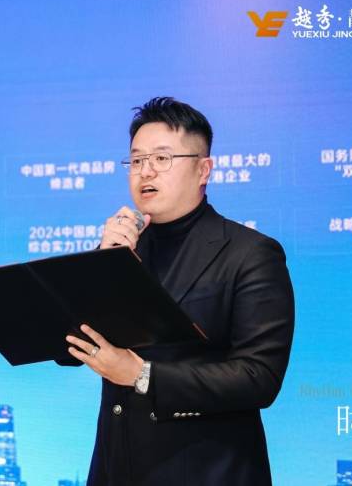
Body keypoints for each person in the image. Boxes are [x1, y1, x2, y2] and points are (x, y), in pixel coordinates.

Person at [64, 97, 295, 485]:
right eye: (136, 160)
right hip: (116, 469)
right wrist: (104, 264)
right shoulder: (122, 250)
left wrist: (142, 375)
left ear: (203, 170)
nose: (145, 171)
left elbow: (259, 377)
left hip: (208, 472)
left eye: (161, 158)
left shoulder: (250, 253)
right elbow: (69, 347)